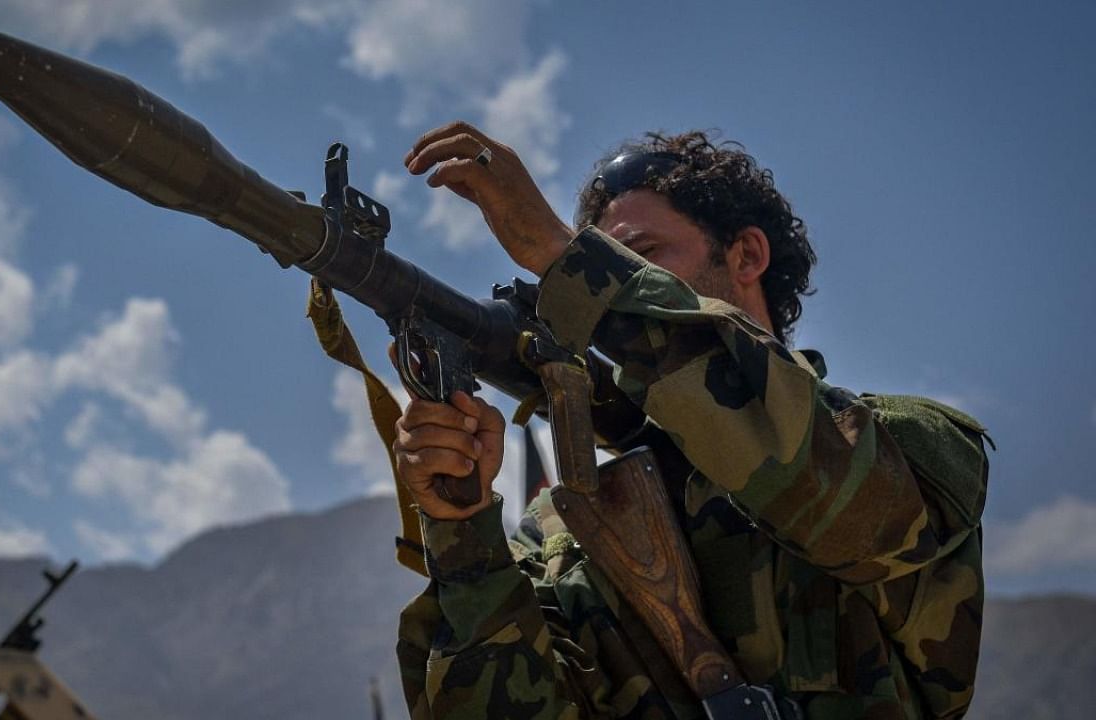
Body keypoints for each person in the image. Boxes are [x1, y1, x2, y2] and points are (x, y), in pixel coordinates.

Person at [390, 122, 990, 720]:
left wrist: (562, 257)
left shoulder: (912, 445)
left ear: (747, 255)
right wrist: (460, 524)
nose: (605, 294)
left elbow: (836, 504)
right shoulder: (566, 530)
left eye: (637, 258)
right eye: (609, 265)